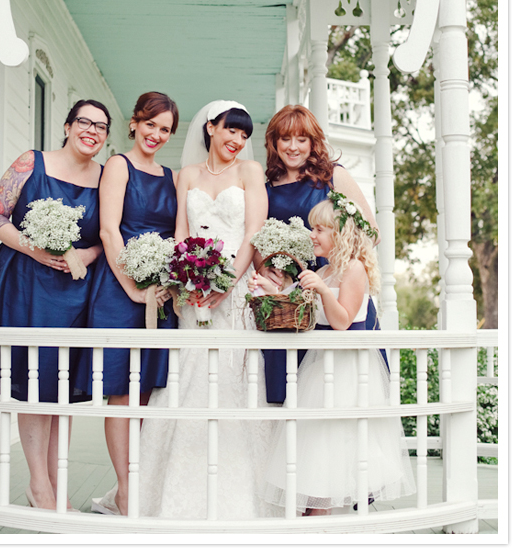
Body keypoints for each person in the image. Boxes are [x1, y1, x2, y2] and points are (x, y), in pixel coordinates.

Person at [137, 100, 273, 520]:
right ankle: (167, 490)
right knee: (188, 378)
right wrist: (183, 279)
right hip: (191, 293)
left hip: (233, 291)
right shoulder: (188, 176)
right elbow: (181, 231)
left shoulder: (250, 173)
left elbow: (254, 231)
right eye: (230, 130)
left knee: (233, 379)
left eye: (244, 135)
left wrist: (225, 283)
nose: (237, 140)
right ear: (211, 128)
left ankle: (241, 494)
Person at [0, 99, 111, 511]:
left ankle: (58, 485)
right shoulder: (31, 162)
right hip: (25, 283)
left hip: (75, 290)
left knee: (63, 390)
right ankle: (39, 485)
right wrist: (33, 249)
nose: (92, 130)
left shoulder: (107, 177)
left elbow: (107, 235)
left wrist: (85, 256)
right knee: (34, 384)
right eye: (85, 122)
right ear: (68, 125)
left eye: (101, 127)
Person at [260, 194, 415, 515]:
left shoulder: (353, 269)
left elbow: (342, 320)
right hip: (319, 368)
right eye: (312, 228)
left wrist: (318, 289)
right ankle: (314, 517)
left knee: (334, 445)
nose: (312, 235)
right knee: (315, 448)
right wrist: (270, 291)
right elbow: (304, 310)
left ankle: (319, 519)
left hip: (347, 371)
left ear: (340, 234)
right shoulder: (327, 269)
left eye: (320, 229)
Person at [87, 92, 179, 517]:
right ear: (134, 123)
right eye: (150, 125)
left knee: (147, 395)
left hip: (160, 296)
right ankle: (125, 491)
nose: (155, 135)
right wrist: (132, 289)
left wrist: (164, 285)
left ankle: (137, 483)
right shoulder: (118, 167)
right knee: (122, 395)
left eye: (164, 129)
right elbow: (109, 231)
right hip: (121, 290)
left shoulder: (171, 176)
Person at [256, 104, 383, 404]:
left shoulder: (333, 177)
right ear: (274, 142)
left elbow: (372, 231)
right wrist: (272, 272)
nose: (293, 147)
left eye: (302, 139)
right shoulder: (267, 189)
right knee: (287, 392)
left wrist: (337, 263)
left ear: (313, 142)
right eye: (285, 138)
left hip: (336, 293)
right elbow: (259, 243)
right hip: (289, 301)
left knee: (342, 395)